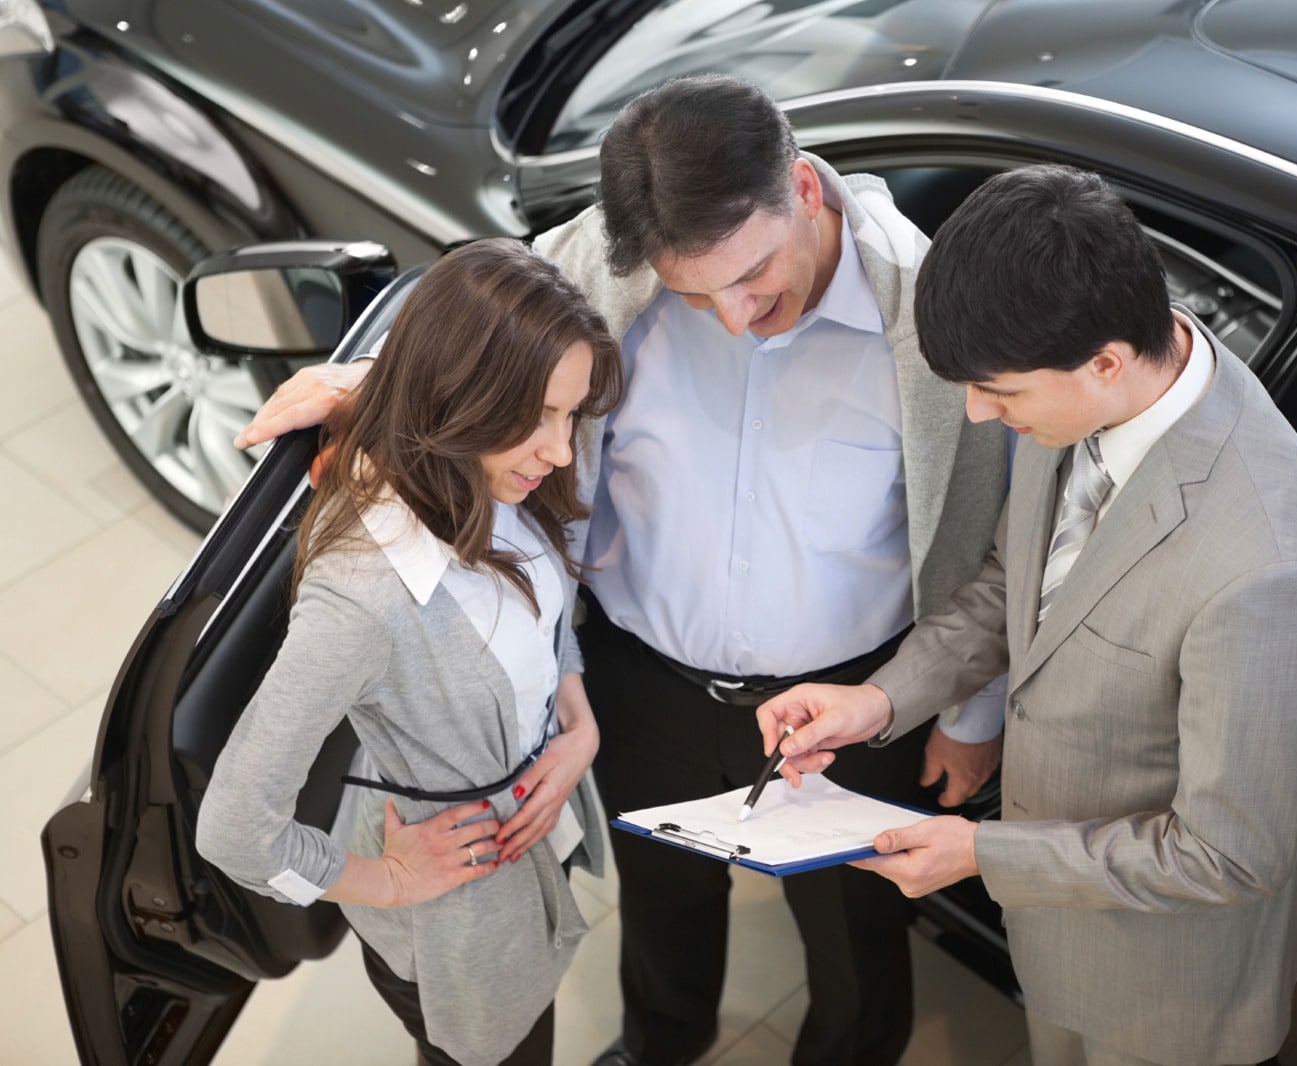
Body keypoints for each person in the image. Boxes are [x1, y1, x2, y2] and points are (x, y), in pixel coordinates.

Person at [233, 75, 1011, 1066]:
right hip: (638, 681)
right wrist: (366, 380)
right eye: (697, 294)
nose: (734, 317)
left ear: (805, 192)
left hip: (851, 701)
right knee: (661, 898)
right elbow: (479, 318)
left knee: (857, 927)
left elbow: (994, 535)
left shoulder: (930, 318)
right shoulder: (611, 265)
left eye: (756, 275)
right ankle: (660, 1042)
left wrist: (969, 713)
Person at [756, 165, 1297, 1066]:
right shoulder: (1098, 394)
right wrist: (879, 702)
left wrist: (983, 854)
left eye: (998, 391)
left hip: (1171, 983)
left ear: (1106, 362)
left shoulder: (1271, 574)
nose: (977, 413)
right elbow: (1018, 582)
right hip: (1057, 928)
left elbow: (1229, 858)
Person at [197, 238, 625, 1066]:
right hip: (456, 901)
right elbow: (235, 832)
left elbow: (541, 617)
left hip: (533, 833)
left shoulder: (503, 480)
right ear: (457, 397)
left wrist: (577, 725)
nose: (564, 449)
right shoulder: (363, 596)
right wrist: (383, 880)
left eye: (570, 413)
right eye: (539, 416)